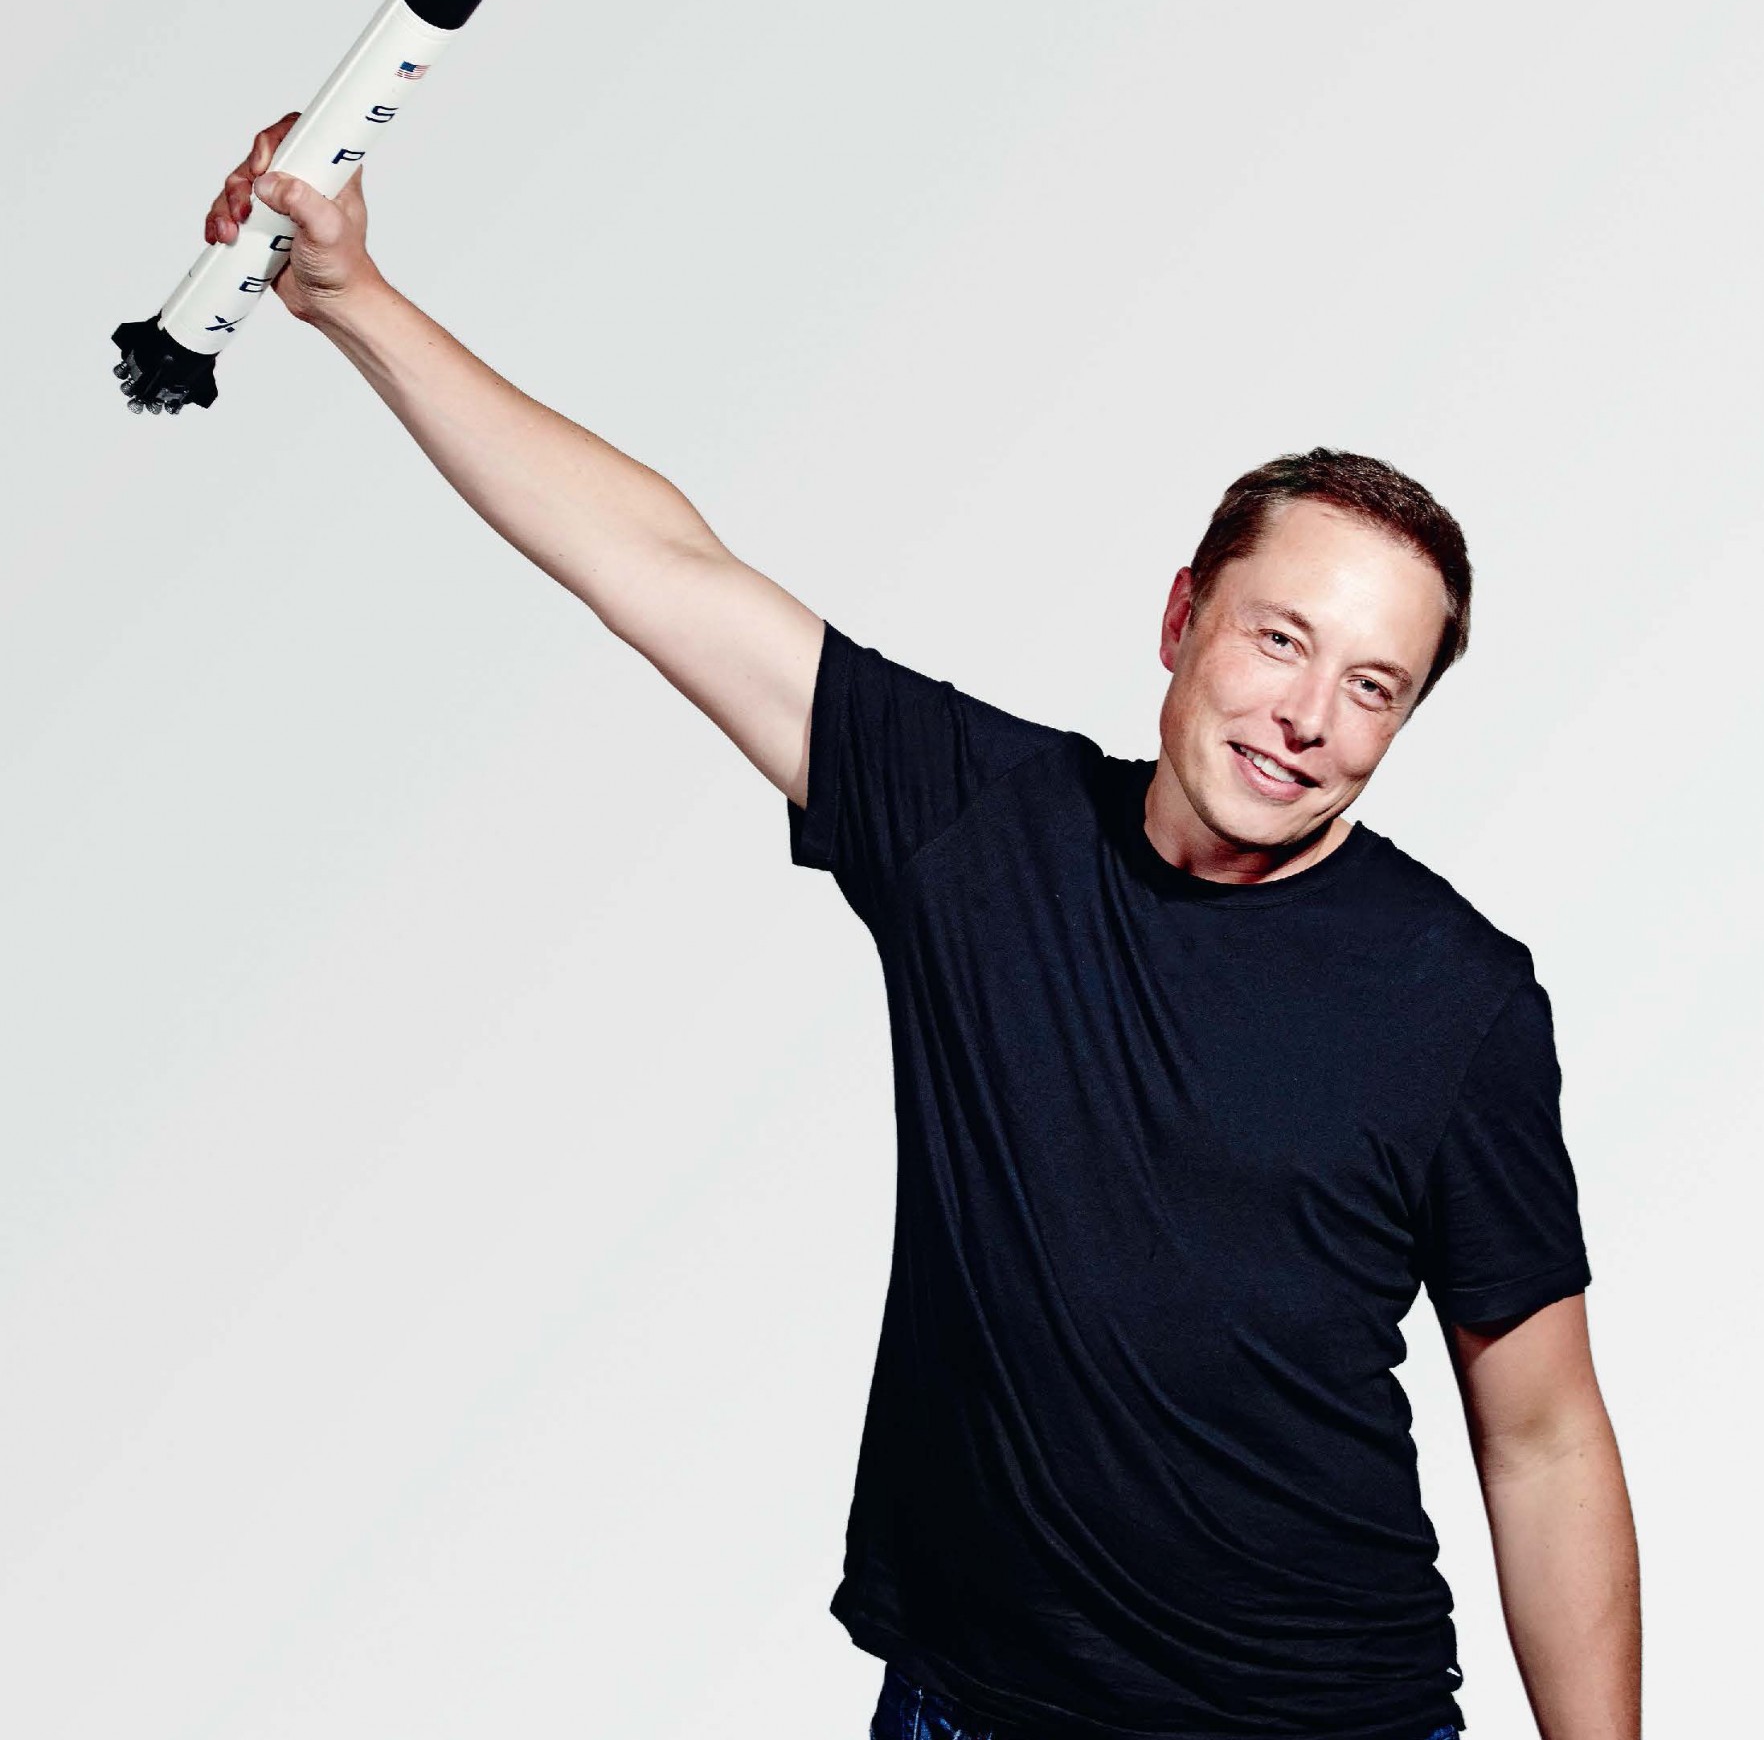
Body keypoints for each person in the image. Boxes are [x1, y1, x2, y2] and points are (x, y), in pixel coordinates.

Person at [202, 120, 1641, 1740]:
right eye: (1278, 640)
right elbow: (654, 564)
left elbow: (1543, 1439)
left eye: (1371, 685)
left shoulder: (1457, 998)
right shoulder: (983, 828)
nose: (1307, 717)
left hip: (1319, 1719)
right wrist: (355, 297)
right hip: (971, 1707)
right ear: (1183, 618)